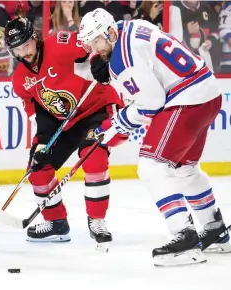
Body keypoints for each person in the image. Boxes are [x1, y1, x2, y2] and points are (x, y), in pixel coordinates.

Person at [78, 8, 230, 266]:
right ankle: (214, 229)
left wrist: (115, 124)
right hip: (207, 91)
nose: (94, 49)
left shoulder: (121, 58)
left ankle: (185, 236)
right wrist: (118, 82)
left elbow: (151, 105)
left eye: (96, 41)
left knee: (151, 166)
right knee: (184, 169)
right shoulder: (131, 26)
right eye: (89, 43)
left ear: (110, 32)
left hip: (188, 97)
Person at [4, 17, 128, 250]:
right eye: (17, 49)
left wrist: (97, 61)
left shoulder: (59, 44)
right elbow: (39, 113)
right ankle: (56, 223)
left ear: (35, 38)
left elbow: (90, 44)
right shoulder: (20, 79)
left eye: (26, 44)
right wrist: (41, 144)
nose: (23, 52)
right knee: (38, 169)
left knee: (93, 156)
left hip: (96, 110)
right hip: (66, 122)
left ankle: (97, 221)